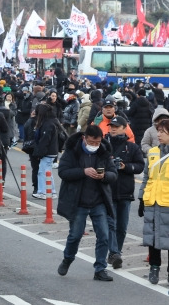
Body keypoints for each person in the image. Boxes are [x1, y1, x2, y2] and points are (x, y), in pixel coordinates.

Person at [57, 125, 117, 282]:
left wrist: (104, 176)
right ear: (85, 138)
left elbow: (113, 174)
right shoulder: (72, 150)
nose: (95, 145)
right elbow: (63, 172)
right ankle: (67, 259)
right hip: (78, 202)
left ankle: (100, 269)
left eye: (98, 142)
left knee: (104, 235)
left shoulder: (104, 152)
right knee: (75, 235)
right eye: (92, 142)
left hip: (98, 201)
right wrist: (82, 172)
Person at [104, 116, 145, 269]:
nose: (113, 128)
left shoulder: (132, 147)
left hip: (126, 192)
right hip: (108, 191)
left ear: (124, 127)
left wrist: (124, 166)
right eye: (111, 126)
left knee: (122, 227)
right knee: (111, 224)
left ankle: (116, 252)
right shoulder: (104, 145)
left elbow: (140, 166)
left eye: (116, 126)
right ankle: (114, 252)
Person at [138, 119, 169, 284]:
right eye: (158, 131)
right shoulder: (153, 153)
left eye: (162, 132)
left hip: (167, 202)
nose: (158, 135)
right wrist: (141, 198)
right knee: (152, 237)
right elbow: (146, 177)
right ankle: (154, 268)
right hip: (152, 201)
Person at [31, 104, 60, 200]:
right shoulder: (52, 122)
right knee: (48, 172)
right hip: (52, 151)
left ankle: (43, 192)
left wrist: (39, 153)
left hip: (48, 152)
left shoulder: (47, 124)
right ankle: (52, 191)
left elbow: (44, 141)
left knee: (42, 172)